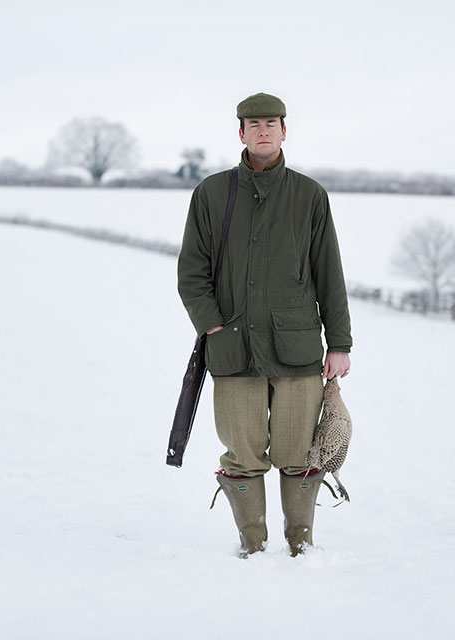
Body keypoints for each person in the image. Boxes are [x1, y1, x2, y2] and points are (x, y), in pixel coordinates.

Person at [177, 92, 352, 558]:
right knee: (243, 451)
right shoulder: (212, 194)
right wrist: (211, 324)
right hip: (232, 347)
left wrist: (340, 343)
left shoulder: (309, 195)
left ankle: (302, 544)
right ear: (240, 132)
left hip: (297, 348)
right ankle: (252, 544)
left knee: (298, 452)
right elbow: (191, 271)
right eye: (253, 124)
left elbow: (329, 274)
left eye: (272, 123)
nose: (263, 131)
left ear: (284, 130)